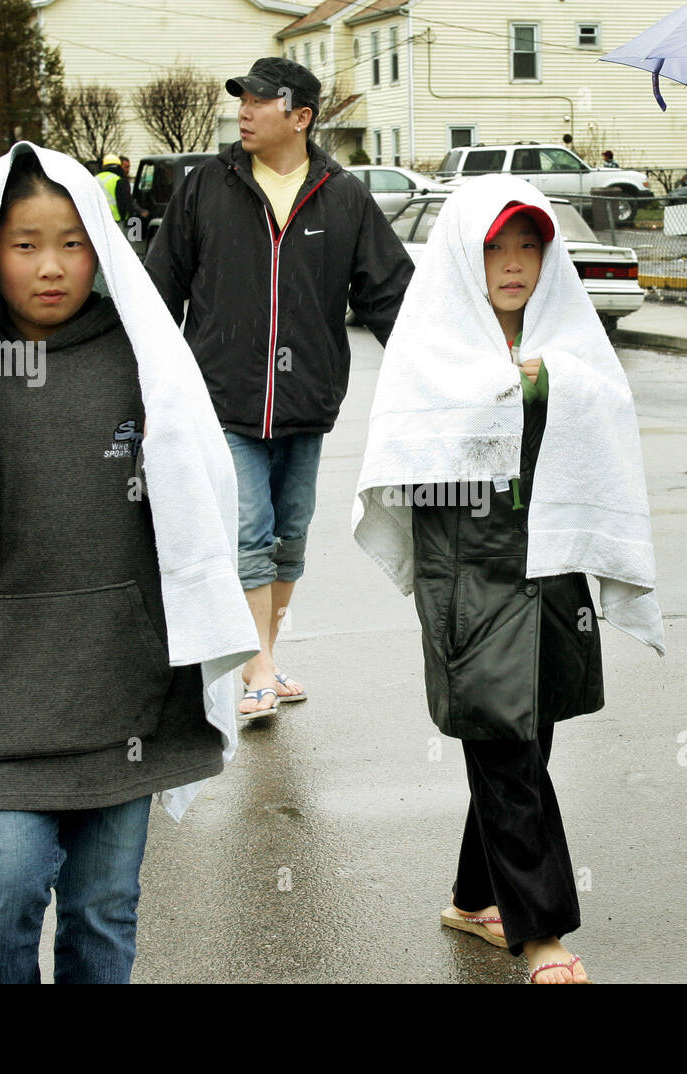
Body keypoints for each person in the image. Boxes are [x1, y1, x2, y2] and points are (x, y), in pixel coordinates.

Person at [0, 143, 257, 982]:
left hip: (124, 697)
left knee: (104, 915)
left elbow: (197, 523)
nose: (51, 267)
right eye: (25, 243)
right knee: (2, 903)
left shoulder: (147, 365)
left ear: (102, 245)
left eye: (73, 242)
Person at [353, 176, 664, 982]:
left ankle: (470, 894)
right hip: (470, 573)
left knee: (524, 738)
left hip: (552, 565)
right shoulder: (433, 343)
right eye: (497, 246)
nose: (514, 263)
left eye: (530, 245)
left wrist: (547, 383)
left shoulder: (567, 338)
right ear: (466, 250)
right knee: (509, 746)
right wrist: (496, 397)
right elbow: (408, 469)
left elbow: (605, 408)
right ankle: (541, 931)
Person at [147, 57, 414, 719]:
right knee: (249, 531)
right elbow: (160, 288)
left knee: (289, 537)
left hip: (306, 403)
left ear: (301, 116)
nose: (244, 109)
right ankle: (258, 667)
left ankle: (262, 657)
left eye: (260, 100)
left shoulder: (342, 196)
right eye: (241, 97)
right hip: (223, 399)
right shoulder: (207, 188)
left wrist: (447, 367)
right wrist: (147, 379)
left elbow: (391, 298)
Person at [95, 152, 136, 234]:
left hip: (98, 220)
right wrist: (125, 216)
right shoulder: (117, 180)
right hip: (116, 220)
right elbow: (122, 201)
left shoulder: (95, 179)